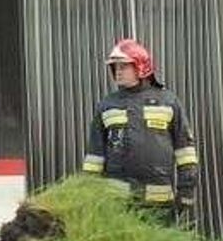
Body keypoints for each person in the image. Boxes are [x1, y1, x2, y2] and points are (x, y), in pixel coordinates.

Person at [82, 38, 199, 225]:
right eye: (115, 67)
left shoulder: (168, 101)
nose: (117, 71)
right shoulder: (106, 105)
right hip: (118, 203)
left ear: (141, 66)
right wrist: (88, 191)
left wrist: (186, 191)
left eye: (123, 66)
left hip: (159, 203)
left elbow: (185, 152)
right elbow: (94, 156)